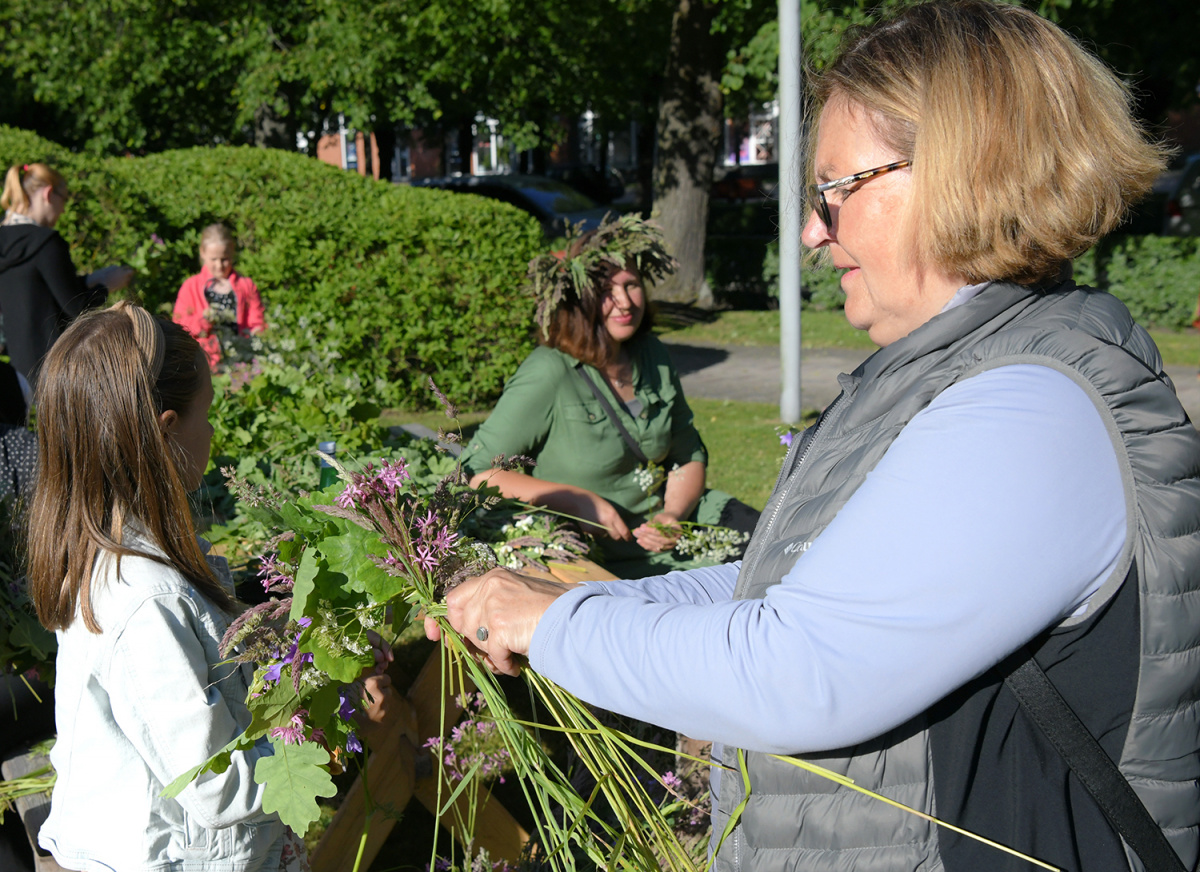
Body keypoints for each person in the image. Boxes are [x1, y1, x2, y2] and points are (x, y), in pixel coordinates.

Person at [427, 3, 1200, 870]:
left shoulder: (1028, 410)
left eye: (835, 190)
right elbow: (797, 589)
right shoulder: (958, 370)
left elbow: (800, 668)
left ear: (961, 171)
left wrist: (558, 624)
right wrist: (584, 597)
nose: (810, 232)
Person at [26, 302, 395, 871]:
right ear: (167, 431)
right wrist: (330, 721)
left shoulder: (122, 552)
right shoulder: (146, 600)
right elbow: (216, 785)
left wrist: (319, 653)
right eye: (209, 412)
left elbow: (207, 669)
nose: (215, 431)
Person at [459, 215, 758, 578]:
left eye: (631, 285)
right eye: (605, 291)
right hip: (595, 555)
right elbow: (477, 473)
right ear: (578, 298)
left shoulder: (652, 355)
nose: (624, 302)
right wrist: (574, 500)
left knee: (785, 552)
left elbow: (687, 455)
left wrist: (671, 515)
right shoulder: (550, 371)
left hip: (679, 534)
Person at [0, 163, 133, 385]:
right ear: (48, 194)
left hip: (16, 374)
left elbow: (37, 292)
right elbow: (75, 308)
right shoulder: (47, 243)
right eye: (64, 200)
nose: (63, 210)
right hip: (53, 369)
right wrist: (107, 285)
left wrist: (89, 280)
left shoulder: (4, 241)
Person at [173, 223, 267, 369]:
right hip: (203, 364)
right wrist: (204, 320)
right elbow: (178, 327)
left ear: (232, 252)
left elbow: (257, 323)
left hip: (241, 363)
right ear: (202, 253)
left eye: (224, 259)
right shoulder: (190, 287)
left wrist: (254, 340)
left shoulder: (246, 286)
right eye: (213, 259)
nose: (219, 265)